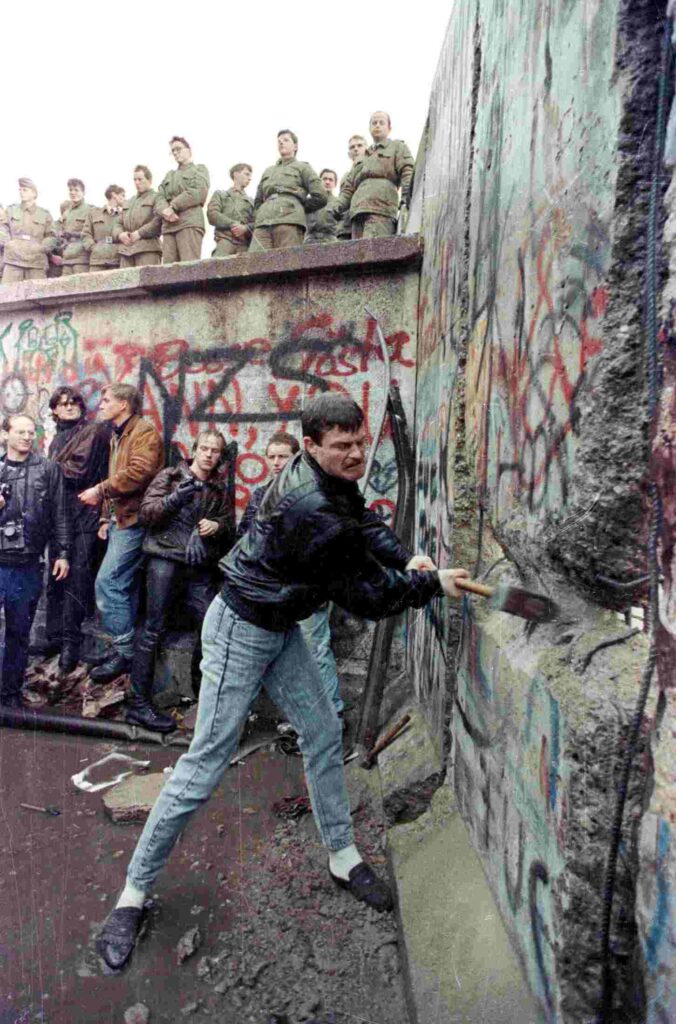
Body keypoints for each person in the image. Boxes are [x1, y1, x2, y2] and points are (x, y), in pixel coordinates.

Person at [95, 393, 468, 970]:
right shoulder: (309, 502)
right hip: (243, 628)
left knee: (322, 733)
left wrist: (406, 558)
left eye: (360, 441)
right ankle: (133, 893)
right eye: (342, 446)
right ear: (313, 446)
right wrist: (431, 584)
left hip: (280, 622)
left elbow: (362, 522)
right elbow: (367, 595)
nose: (356, 454)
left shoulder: (327, 480)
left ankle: (342, 855)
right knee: (203, 767)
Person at [128, 431, 234, 733]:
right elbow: (146, 515)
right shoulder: (171, 476)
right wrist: (177, 497)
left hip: (198, 567)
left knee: (212, 626)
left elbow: (230, 527)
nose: (209, 455)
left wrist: (217, 526)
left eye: (215, 451)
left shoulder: (217, 488)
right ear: (195, 450)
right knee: (153, 629)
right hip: (164, 560)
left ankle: (204, 701)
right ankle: (138, 705)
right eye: (205, 448)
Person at [237, 431, 343, 715]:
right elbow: (244, 537)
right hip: (268, 589)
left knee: (315, 652)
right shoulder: (261, 495)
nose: (275, 462)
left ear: (297, 457)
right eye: (271, 457)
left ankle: (332, 715)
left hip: (305, 588)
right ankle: (257, 716)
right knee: (259, 652)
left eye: (282, 456)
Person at [78, 384, 164, 684]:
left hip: (136, 522)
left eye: (106, 401)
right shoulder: (119, 433)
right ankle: (122, 650)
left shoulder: (144, 433)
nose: (100, 405)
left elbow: (139, 472)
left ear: (124, 404)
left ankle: (125, 654)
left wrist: (99, 491)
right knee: (123, 587)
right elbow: (119, 476)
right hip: (120, 521)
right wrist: (105, 517)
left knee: (108, 583)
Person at [0, 414, 70, 707]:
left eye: (31, 432)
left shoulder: (48, 469)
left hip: (26, 564)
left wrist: (62, 553)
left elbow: (60, 514)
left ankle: (9, 695)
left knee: (18, 632)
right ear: (5, 435)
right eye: (20, 432)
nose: (27, 437)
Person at [45, 387, 111, 674]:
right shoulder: (57, 438)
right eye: (63, 404)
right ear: (55, 411)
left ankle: (71, 645)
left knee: (78, 580)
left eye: (74, 402)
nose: (69, 407)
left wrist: (46, 469)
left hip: (85, 516)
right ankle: (54, 638)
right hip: (59, 515)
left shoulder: (92, 432)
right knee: (55, 576)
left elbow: (78, 471)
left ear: (82, 407)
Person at [332, 112, 414, 239]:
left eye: (382, 123)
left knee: (375, 253)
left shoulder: (397, 147)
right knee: (358, 255)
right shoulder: (363, 156)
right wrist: (336, 206)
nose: (377, 126)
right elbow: (348, 188)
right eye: (374, 123)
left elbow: (407, 171)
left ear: (389, 128)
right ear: (369, 128)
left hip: (381, 209)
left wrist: (406, 199)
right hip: (357, 212)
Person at [252, 130, 327, 250]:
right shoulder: (268, 171)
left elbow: (321, 196)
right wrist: (260, 214)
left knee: (287, 263)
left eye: (286, 140)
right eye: (279, 141)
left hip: (289, 221)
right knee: (255, 263)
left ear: (295, 146)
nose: (281, 143)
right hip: (263, 223)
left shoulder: (303, 167)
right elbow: (257, 200)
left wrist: (299, 207)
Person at [156, 136, 209, 264]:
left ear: (189, 150)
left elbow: (198, 192)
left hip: (189, 223)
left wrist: (173, 206)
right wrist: (165, 211)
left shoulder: (199, 169)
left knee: (189, 268)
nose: (175, 153)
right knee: (168, 272)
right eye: (172, 151)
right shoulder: (170, 175)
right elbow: (159, 197)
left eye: (178, 149)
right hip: (169, 226)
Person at [0, 178, 56, 284]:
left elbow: (52, 236)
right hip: (13, 261)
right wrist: (8, 243)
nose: (21, 192)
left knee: (38, 295)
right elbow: (2, 227)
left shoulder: (44, 214)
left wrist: (42, 248)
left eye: (25, 190)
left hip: (36, 262)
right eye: (20, 190)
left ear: (34, 193)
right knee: (8, 296)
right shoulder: (11, 210)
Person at [117, 166, 162, 269]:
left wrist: (140, 233)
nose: (137, 182)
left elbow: (158, 220)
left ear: (149, 180)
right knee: (126, 284)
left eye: (140, 179)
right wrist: (120, 234)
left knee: (149, 283)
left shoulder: (157, 197)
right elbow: (117, 223)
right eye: (135, 180)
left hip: (147, 250)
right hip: (127, 251)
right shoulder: (129, 202)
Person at [207, 163, 254, 257]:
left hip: (244, 244)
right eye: (246, 174)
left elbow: (257, 222)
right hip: (225, 239)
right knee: (216, 267)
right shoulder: (220, 195)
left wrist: (245, 228)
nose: (250, 178)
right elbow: (212, 214)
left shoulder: (252, 202)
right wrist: (232, 223)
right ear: (236, 174)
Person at [51, 179, 92, 276]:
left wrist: (72, 234)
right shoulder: (67, 212)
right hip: (67, 258)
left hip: (81, 258)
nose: (73, 193)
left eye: (76, 190)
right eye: (71, 190)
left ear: (83, 192)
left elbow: (92, 234)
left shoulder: (90, 210)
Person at [81, 185, 126, 272]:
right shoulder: (94, 213)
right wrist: (93, 247)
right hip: (97, 261)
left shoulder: (124, 215)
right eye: (123, 195)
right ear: (114, 195)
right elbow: (85, 234)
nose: (124, 199)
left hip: (117, 260)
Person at [337, 136, 367, 241]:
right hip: (346, 225)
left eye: (359, 145)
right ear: (349, 153)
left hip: (364, 218)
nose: (356, 149)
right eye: (352, 147)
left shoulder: (370, 168)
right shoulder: (346, 176)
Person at [305, 169, 339, 246]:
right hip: (309, 241)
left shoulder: (338, 203)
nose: (327, 182)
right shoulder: (310, 201)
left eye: (331, 180)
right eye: (324, 179)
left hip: (331, 242)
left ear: (335, 184)